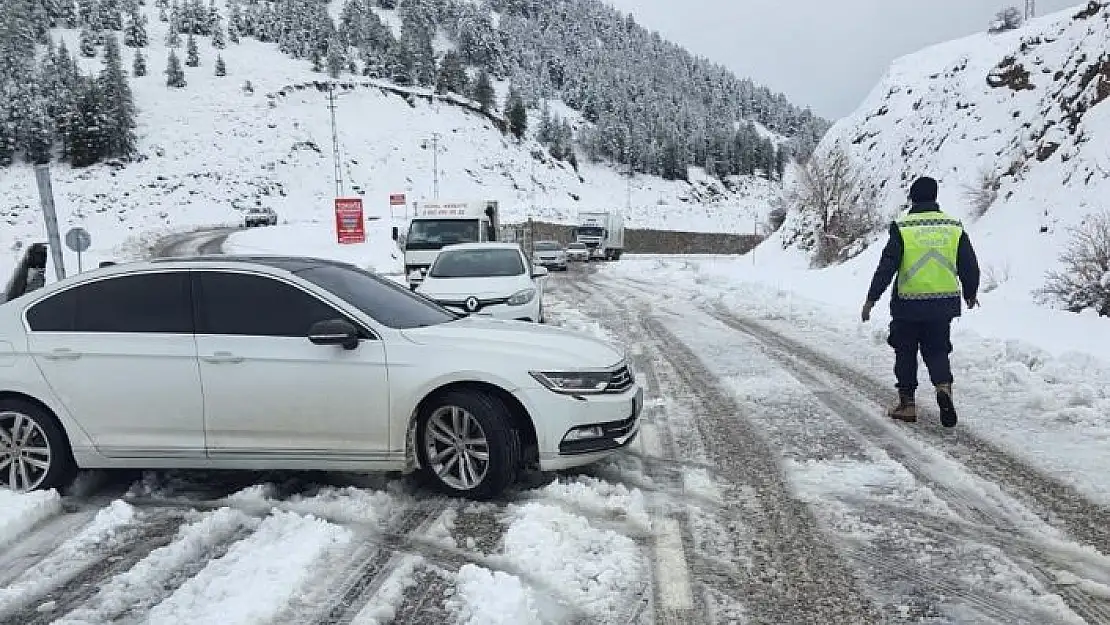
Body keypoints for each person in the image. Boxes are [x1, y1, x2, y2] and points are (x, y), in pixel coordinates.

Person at [861, 176, 980, 427]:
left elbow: (887, 266)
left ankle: (907, 405)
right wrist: (971, 292)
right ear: (935, 196)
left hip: (908, 304)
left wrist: (871, 299)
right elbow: (969, 264)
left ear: (912, 198)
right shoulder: (953, 227)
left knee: (905, 351)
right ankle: (944, 387)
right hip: (942, 303)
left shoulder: (903, 227)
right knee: (937, 349)